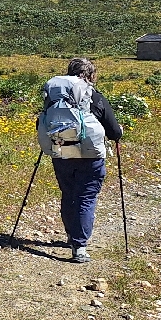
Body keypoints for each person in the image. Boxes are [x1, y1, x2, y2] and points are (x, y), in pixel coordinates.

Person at [43, 58, 123, 263]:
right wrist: (118, 133)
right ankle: (79, 247)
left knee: (68, 193)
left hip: (62, 151)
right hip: (90, 155)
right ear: (90, 76)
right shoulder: (95, 98)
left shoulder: (55, 97)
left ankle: (71, 236)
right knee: (85, 197)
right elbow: (114, 131)